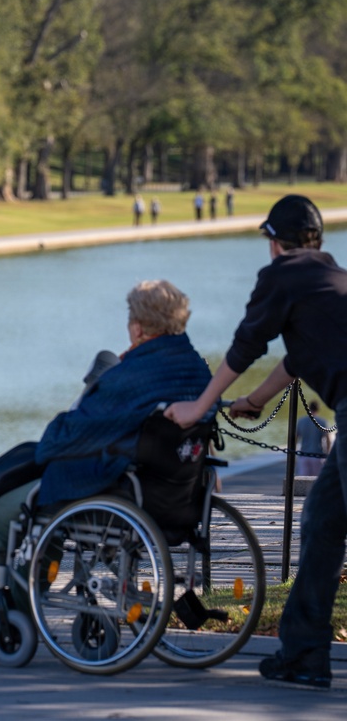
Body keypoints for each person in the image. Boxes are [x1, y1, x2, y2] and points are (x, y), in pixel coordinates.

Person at [0, 279, 212, 658]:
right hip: (173, 492)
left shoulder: (132, 374)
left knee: (4, 513)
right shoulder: (195, 367)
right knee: (43, 502)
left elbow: (70, 434)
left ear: (139, 327)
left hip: (119, 489)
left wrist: (53, 442)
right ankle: (18, 612)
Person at [164, 195, 345, 689]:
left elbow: (247, 344)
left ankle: (304, 653)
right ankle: (304, 655)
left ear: (273, 243)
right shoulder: (329, 278)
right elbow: (300, 357)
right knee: (323, 521)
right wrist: (259, 399)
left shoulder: (282, 276)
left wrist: (199, 407)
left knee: (326, 524)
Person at [296, 401, 332, 477]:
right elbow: (328, 439)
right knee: (316, 480)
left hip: (304, 454)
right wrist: (327, 453)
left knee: (303, 480)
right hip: (317, 454)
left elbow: (295, 437)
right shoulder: (322, 421)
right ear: (318, 409)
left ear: (308, 408)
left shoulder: (301, 421)